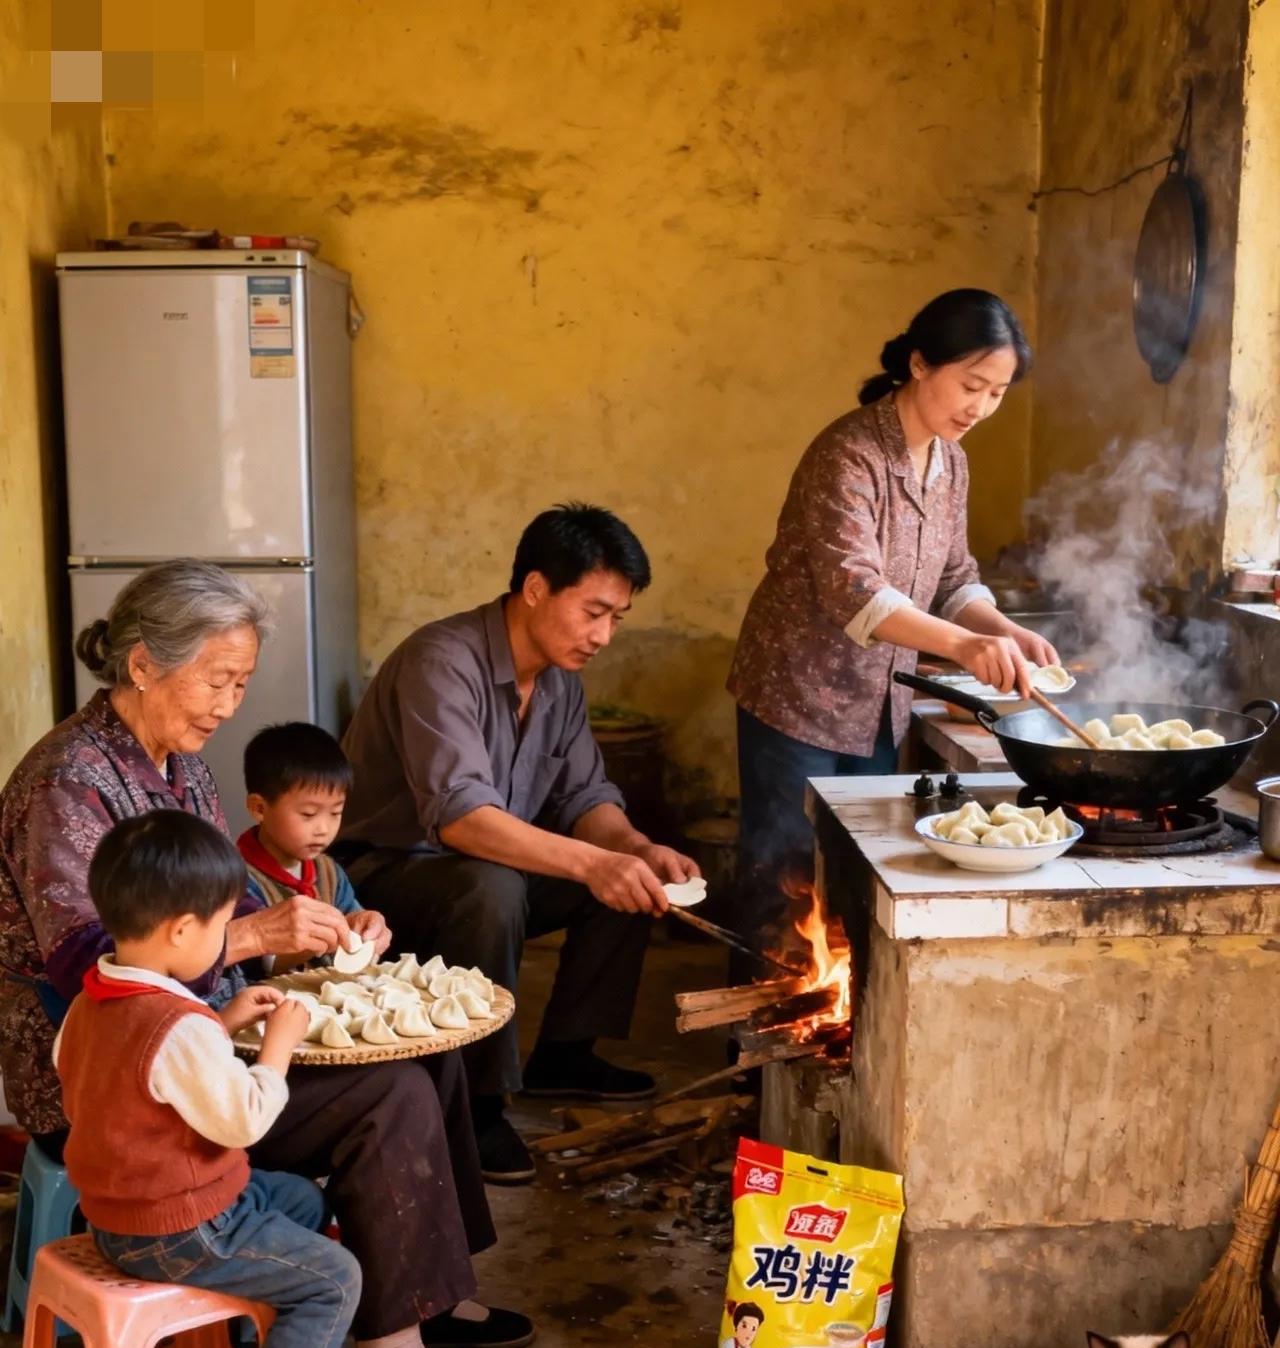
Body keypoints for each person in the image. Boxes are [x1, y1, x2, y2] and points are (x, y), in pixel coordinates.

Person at [0, 560, 526, 1348]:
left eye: (239, 682)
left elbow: (230, 902)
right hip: (112, 1088)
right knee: (384, 1097)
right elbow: (94, 965)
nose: (228, 704)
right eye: (215, 680)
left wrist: (327, 925)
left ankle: (431, 1294)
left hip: (197, 1040)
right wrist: (252, 942)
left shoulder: (184, 769)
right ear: (141, 665)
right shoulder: (67, 784)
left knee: (420, 1053)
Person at [337, 503, 700, 1186]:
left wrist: (633, 847)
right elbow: (461, 820)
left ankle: (566, 1053)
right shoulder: (440, 661)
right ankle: (477, 1105)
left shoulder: (561, 685)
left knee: (634, 883)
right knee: (498, 885)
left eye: (616, 619)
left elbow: (583, 796)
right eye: (592, 611)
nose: (604, 636)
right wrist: (595, 862)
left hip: (472, 870)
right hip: (380, 878)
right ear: (535, 587)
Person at [727, 289, 1060, 948]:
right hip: (797, 696)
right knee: (783, 878)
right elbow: (855, 591)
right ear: (918, 363)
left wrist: (1004, 630)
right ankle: (760, 1044)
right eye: (971, 385)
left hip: (878, 703)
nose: (981, 408)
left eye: (997, 393)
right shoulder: (849, 454)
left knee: (858, 875)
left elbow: (954, 577)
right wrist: (963, 645)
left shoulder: (950, 462)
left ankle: (834, 1039)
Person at [57, 810, 358, 1348]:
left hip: (115, 1215)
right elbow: (246, 1117)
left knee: (303, 1203)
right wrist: (277, 1042)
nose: (228, 941)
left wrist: (221, 1026)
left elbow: (123, 1082)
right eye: (224, 926)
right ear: (182, 931)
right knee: (335, 1279)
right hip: (181, 1232)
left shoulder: (91, 1002)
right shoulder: (179, 1025)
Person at [237, 722, 390, 969]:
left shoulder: (329, 872)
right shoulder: (237, 880)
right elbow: (253, 966)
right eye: (308, 814)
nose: (323, 829)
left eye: (335, 813)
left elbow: (353, 918)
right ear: (259, 808)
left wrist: (365, 929)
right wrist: (316, 942)